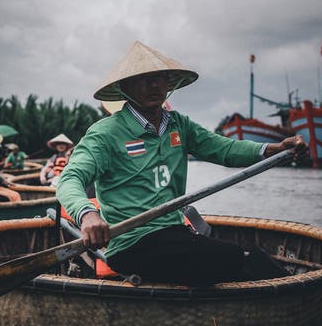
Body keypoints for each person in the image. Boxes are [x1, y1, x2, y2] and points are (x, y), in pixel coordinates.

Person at [58, 41, 309, 286]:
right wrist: (88, 214)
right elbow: (69, 179)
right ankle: (293, 295)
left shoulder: (179, 125)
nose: (153, 84)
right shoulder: (105, 133)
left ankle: (292, 293)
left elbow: (225, 149)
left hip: (174, 234)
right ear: (125, 87)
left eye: (159, 77)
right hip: (131, 243)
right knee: (233, 257)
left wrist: (272, 149)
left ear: (169, 83)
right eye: (142, 79)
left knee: (243, 257)